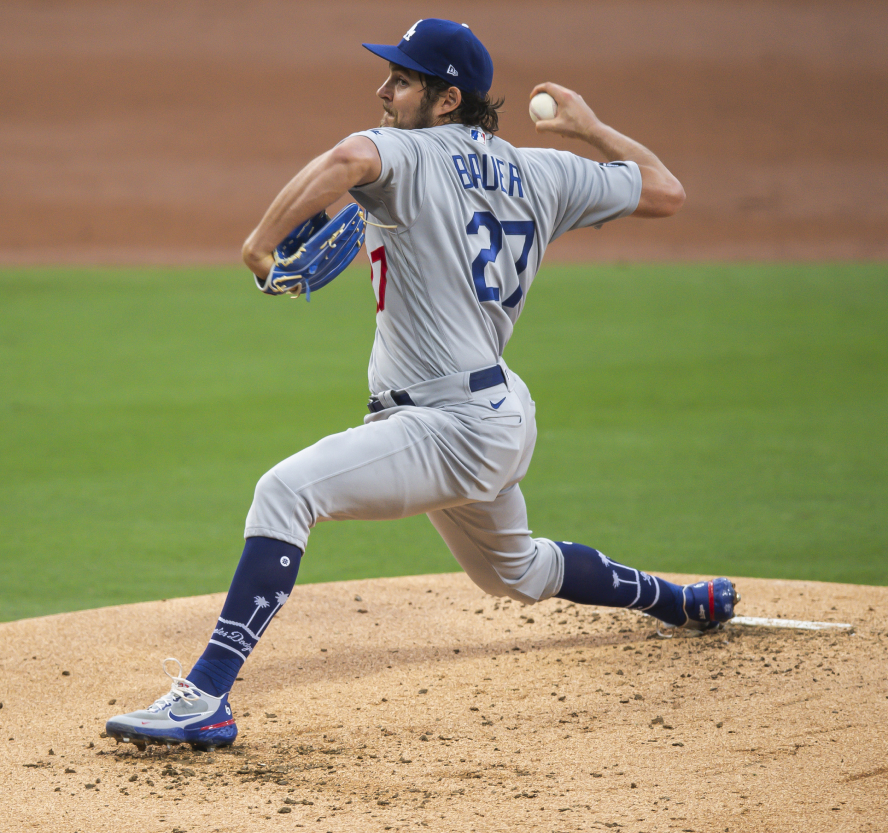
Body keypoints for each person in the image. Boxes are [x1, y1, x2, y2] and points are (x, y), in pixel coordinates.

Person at [106, 18, 739, 752]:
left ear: (446, 100)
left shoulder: (408, 151)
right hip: (497, 413)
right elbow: (666, 191)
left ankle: (202, 696)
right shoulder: (543, 171)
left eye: (402, 80)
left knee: (285, 491)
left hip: (447, 426)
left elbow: (347, 156)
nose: (384, 89)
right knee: (516, 571)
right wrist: (592, 130)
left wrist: (260, 240)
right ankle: (682, 602)